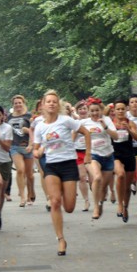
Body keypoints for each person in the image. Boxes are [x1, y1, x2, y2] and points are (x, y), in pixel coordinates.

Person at [32, 90, 92, 255]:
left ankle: (70, 196)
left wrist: (87, 153)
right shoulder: (40, 126)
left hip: (68, 164)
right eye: (48, 101)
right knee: (55, 201)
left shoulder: (66, 121)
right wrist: (37, 152)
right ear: (43, 105)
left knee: (70, 207)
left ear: (58, 105)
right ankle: (60, 239)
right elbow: (36, 149)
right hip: (51, 166)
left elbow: (86, 133)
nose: (51, 103)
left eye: (54, 101)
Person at [82, 97, 118, 219]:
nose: (95, 113)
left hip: (108, 156)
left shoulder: (107, 120)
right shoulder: (85, 123)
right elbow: (73, 134)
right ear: (88, 111)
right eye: (92, 111)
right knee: (97, 178)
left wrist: (105, 127)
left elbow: (116, 137)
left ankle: (101, 202)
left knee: (103, 188)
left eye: (97, 110)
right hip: (93, 155)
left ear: (101, 110)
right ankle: (96, 206)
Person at [111, 99, 137, 222]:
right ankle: (119, 204)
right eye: (118, 109)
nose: (120, 111)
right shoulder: (111, 123)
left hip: (128, 155)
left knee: (127, 187)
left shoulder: (131, 123)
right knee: (120, 175)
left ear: (126, 109)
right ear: (114, 111)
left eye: (123, 108)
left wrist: (129, 129)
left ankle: (125, 207)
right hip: (115, 155)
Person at [7, 95, 36, 207]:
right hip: (15, 146)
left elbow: (34, 131)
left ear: (23, 103)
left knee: (30, 175)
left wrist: (30, 143)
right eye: (15, 103)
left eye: (20, 102)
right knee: (20, 170)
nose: (18, 105)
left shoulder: (29, 116)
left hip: (27, 146)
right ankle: (23, 197)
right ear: (13, 105)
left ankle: (30, 192)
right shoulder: (9, 117)